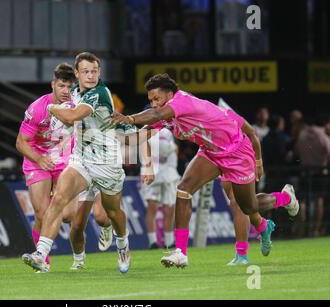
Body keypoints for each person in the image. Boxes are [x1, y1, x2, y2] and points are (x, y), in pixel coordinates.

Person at [112, 73, 300, 268]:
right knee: (183, 189)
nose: (153, 104)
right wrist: (109, 135)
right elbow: (136, 138)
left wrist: (128, 118)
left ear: (170, 94)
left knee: (248, 207)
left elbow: (156, 115)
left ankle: (285, 197)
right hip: (210, 152)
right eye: (150, 100)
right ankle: (181, 253)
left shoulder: (181, 102)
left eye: (156, 99)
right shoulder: (164, 114)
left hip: (236, 151)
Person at [24, 52, 154, 273]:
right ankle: (41, 254)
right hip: (81, 160)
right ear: (77, 73)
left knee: (111, 213)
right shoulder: (75, 92)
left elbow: (72, 117)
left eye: (94, 71)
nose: (91, 75)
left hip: (106, 163)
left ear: (99, 73)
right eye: (85, 71)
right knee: (59, 202)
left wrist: (52, 108)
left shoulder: (100, 93)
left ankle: (122, 244)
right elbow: (70, 123)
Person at [16, 63, 114, 272]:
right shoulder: (38, 108)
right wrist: (39, 159)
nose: (65, 91)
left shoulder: (78, 103)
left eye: (69, 86)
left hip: (66, 159)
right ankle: (43, 261)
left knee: (68, 215)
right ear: (53, 85)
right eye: (61, 86)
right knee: (41, 212)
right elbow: (21, 142)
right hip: (38, 160)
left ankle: (93, 219)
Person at [142, 127, 179, 249]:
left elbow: (172, 150)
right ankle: (153, 242)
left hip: (169, 173)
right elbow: (162, 150)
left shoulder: (167, 131)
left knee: (169, 208)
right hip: (152, 172)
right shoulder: (145, 130)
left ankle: (169, 241)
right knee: (152, 206)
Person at [294, 114, 330, 237]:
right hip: (320, 172)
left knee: (302, 200)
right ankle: (315, 229)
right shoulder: (323, 135)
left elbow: (296, 152)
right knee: (318, 200)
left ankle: (301, 228)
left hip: (305, 172)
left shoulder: (302, 135)